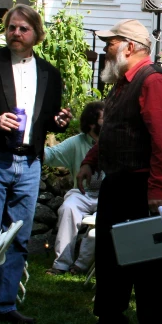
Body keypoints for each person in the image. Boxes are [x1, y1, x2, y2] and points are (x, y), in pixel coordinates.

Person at [0, 4, 73, 324]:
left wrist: (60, 120)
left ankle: (6, 305)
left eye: (24, 28)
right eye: (12, 27)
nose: (16, 33)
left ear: (36, 34)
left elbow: (50, 120)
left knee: (18, 238)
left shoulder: (49, 73)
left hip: (29, 163)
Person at [73, 19, 162, 324]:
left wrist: (157, 192)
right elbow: (113, 131)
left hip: (142, 188)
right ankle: (110, 321)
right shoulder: (122, 84)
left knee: (150, 263)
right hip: (117, 185)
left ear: (129, 47)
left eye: (111, 43)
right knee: (109, 257)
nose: (106, 49)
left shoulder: (154, 83)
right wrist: (91, 160)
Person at [44, 101, 104, 276]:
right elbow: (50, 155)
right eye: (103, 118)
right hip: (82, 193)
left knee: (104, 217)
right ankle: (61, 264)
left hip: (107, 193)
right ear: (92, 123)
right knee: (68, 208)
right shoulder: (76, 142)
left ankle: (81, 266)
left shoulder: (114, 139)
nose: (108, 121)